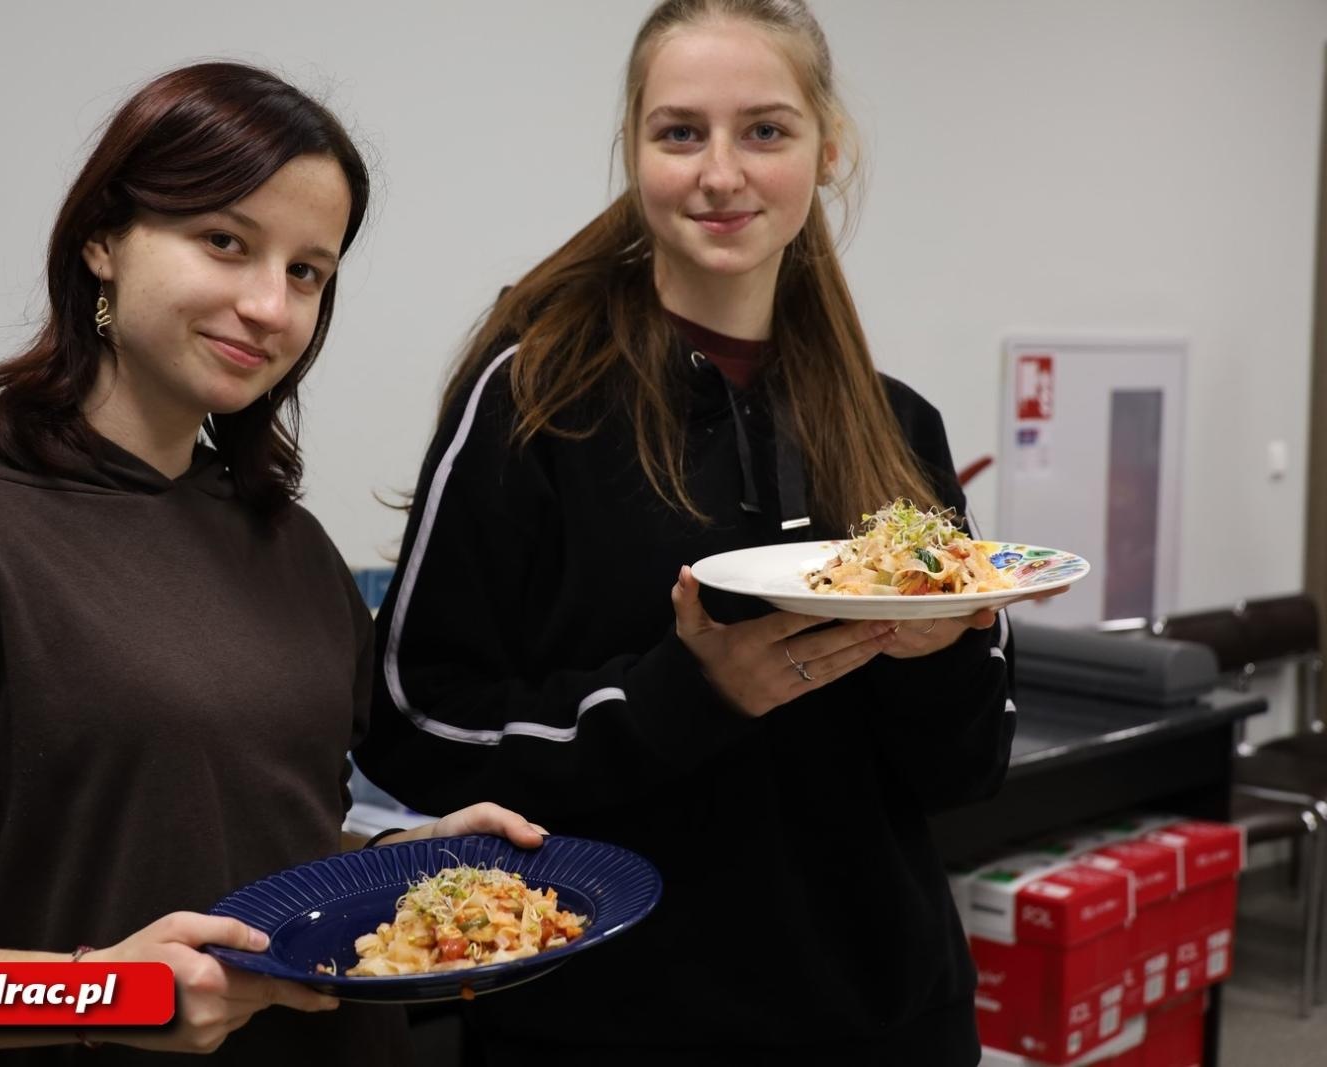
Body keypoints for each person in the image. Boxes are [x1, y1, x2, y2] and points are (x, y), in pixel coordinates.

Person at [0, 61, 545, 1066]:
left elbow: (253, 840)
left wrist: (403, 867)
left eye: (306, 271)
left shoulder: (290, 545)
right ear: (102, 239)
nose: (269, 304)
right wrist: (106, 993)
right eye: (224, 242)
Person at [353, 3, 1036, 1064]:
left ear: (827, 148)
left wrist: (944, 648)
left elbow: (965, 767)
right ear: (633, 151)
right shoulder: (532, 398)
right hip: (607, 1023)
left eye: (764, 130)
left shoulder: (894, 422)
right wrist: (685, 697)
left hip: (885, 1016)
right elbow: (411, 722)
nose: (721, 173)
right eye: (680, 133)